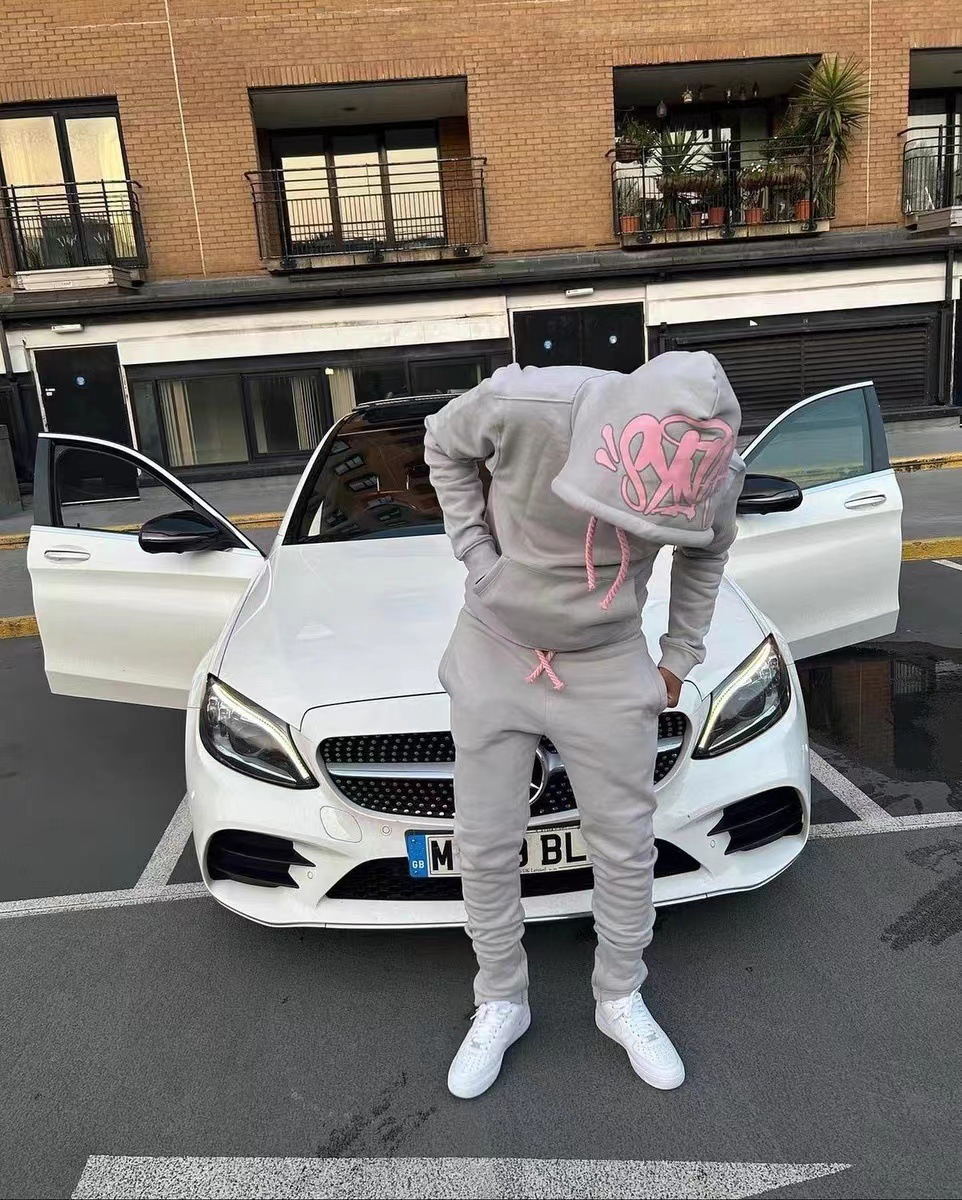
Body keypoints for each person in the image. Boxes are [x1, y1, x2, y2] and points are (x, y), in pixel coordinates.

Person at [423, 351, 743, 1099]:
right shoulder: (527, 404)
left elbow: (709, 553)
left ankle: (619, 996)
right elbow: (441, 440)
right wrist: (478, 556)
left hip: (607, 658)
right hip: (495, 646)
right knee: (485, 841)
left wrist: (678, 658)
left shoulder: (716, 470)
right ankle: (501, 1000)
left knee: (626, 845)